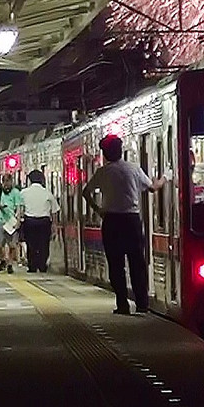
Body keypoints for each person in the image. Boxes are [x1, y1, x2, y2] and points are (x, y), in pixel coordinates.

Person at [82, 135, 165, 315]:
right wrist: (165, 179)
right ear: (121, 151)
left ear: (105, 153)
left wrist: (98, 210)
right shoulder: (133, 169)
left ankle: (122, 304)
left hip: (111, 222)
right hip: (131, 221)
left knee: (116, 265)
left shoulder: (102, 172)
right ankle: (142, 304)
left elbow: (85, 192)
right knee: (137, 263)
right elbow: (152, 188)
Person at [21, 170, 59, 273]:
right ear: (42, 179)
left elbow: (20, 209)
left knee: (31, 244)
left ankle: (32, 266)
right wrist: (54, 225)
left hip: (29, 221)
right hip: (44, 222)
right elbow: (54, 211)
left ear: (29, 180)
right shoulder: (47, 193)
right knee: (43, 244)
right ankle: (42, 265)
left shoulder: (24, 193)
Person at [0, 173, 23, 273]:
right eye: (4, 181)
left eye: (8, 181)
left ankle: (9, 263)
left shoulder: (16, 192)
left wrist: (18, 220)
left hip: (11, 221)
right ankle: (2, 260)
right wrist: (0, 206)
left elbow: (18, 207)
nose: (6, 184)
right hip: (0, 220)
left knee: (12, 245)